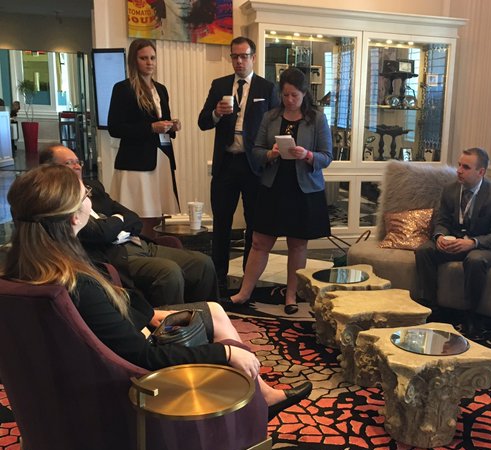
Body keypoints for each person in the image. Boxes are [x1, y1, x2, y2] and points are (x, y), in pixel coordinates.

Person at [1, 164, 312, 420]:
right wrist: (226, 353)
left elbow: (110, 312)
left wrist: (150, 314)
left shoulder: (26, 269)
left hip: (77, 384)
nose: (90, 200)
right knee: (226, 338)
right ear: (74, 217)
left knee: (214, 311)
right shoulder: (76, 283)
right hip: (134, 390)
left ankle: (264, 395)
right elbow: (144, 357)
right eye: (86, 195)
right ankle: (254, 407)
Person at [39, 144, 219, 307]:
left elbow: (132, 217)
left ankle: (208, 320)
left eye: (78, 162)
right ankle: (175, 328)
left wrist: (115, 223)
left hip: (138, 243)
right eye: (69, 163)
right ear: (50, 169)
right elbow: (101, 233)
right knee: (168, 272)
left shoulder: (93, 187)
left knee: (202, 263)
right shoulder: (57, 201)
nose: (77, 166)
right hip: (113, 256)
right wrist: (118, 221)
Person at [228, 67, 332, 314]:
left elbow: (326, 156)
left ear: (304, 94)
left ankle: (291, 296)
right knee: (259, 242)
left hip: (303, 189)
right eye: (285, 95)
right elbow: (256, 151)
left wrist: (307, 155)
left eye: (294, 95)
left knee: (297, 245)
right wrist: (271, 154)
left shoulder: (317, 119)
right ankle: (244, 292)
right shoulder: (271, 117)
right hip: (273, 186)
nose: (289, 100)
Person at [198, 36, 279, 287]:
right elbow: (203, 122)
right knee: (221, 222)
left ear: (253, 58)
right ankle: (217, 277)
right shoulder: (219, 84)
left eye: (244, 56)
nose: (239, 61)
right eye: (235, 56)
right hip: (226, 164)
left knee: (253, 223)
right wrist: (216, 113)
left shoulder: (267, 88)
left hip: (254, 165)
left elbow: (276, 125)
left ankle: (248, 276)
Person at [414, 148, 491, 333]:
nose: (458, 170)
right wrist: (440, 236)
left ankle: (471, 314)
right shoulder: (450, 190)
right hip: (455, 241)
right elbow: (442, 222)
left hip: (484, 246)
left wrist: (473, 242)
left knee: (475, 260)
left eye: (466, 167)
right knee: (424, 250)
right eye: (459, 165)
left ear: (481, 172)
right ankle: (431, 307)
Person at [108, 38, 180, 239]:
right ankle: (139, 251)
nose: (149, 62)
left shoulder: (161, 89)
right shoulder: (123, 88)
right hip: (136, 161)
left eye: (152, 58)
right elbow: (115, 128)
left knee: (157, 215)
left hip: (161, 157)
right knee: (138, 215)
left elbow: (162, 121)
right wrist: (150, 128)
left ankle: (153, 250)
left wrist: (172, 126)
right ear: (134, 60)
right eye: (144, 58)